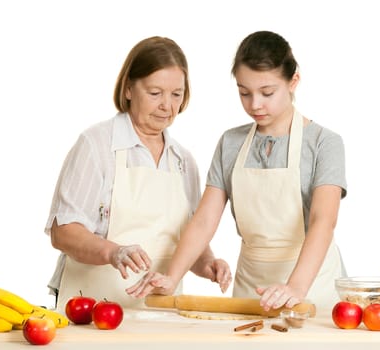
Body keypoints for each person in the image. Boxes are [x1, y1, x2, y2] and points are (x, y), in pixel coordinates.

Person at [126, 31, 347, 314]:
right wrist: (172, 276)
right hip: (250, 288)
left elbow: (323, 221)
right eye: (244, 92)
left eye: (267, 93)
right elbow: (205, 220)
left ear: (293, 82)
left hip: (312, 287)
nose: (255, 104)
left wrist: (295, 288)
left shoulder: (324, 143)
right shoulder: (231, 143)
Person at [45, 36, 231, 312]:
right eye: (155, 93)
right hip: (91, 308)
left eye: (176, 94)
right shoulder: (96, 145)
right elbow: (63, 233)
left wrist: (207, 264)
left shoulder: (183, 161)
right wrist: (113, 252)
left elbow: (185, 237)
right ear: (129, 88)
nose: (167, 106)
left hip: (160, 313)